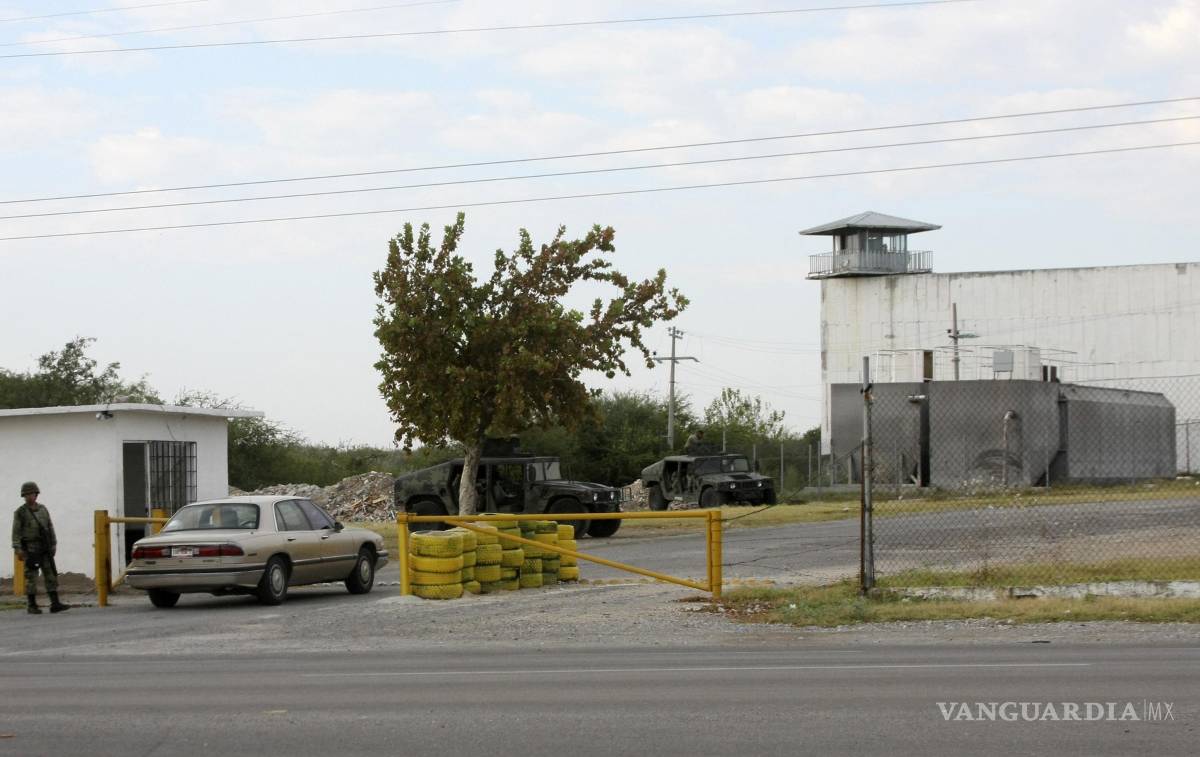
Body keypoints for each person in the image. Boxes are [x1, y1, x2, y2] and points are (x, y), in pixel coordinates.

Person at [11, 482, 69, 614]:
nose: (30, 496)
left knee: (50, 574)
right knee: (31, 576)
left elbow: (50, 526)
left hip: (45, 547)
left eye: (32, 493)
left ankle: (55, 603)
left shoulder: (43, 509)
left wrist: (54, 544)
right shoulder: (21, 512)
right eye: (27, 494)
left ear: (36, 494)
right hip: (30, 548)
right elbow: (16, 532)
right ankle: (32, 605)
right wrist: (18, 548)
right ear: (24, 496)